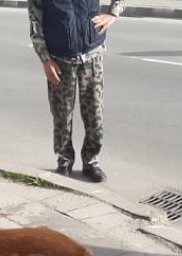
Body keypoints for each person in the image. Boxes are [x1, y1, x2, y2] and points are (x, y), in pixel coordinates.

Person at [28, 0, 126, 183]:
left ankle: (91, 162)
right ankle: (64, 161)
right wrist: (45, 59)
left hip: (92, 56)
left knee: (94, 116)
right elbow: (35, 20)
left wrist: (113, 13)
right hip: (59, 60)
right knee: (62, 115)